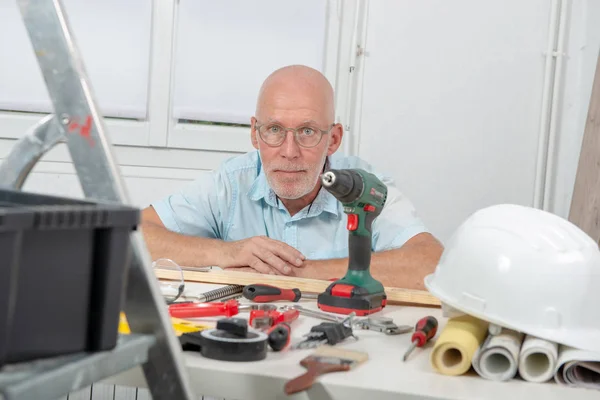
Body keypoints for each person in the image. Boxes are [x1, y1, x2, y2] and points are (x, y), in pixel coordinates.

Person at [141, 65, 443, 289]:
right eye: (274, 130)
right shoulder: (230, 184)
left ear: (334, 139)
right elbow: (135, 235)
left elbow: (430, 262)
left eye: (307, 132)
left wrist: (299, 272)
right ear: (255, 134)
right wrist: (227, 252)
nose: (289, 151)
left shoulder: (365, 189)